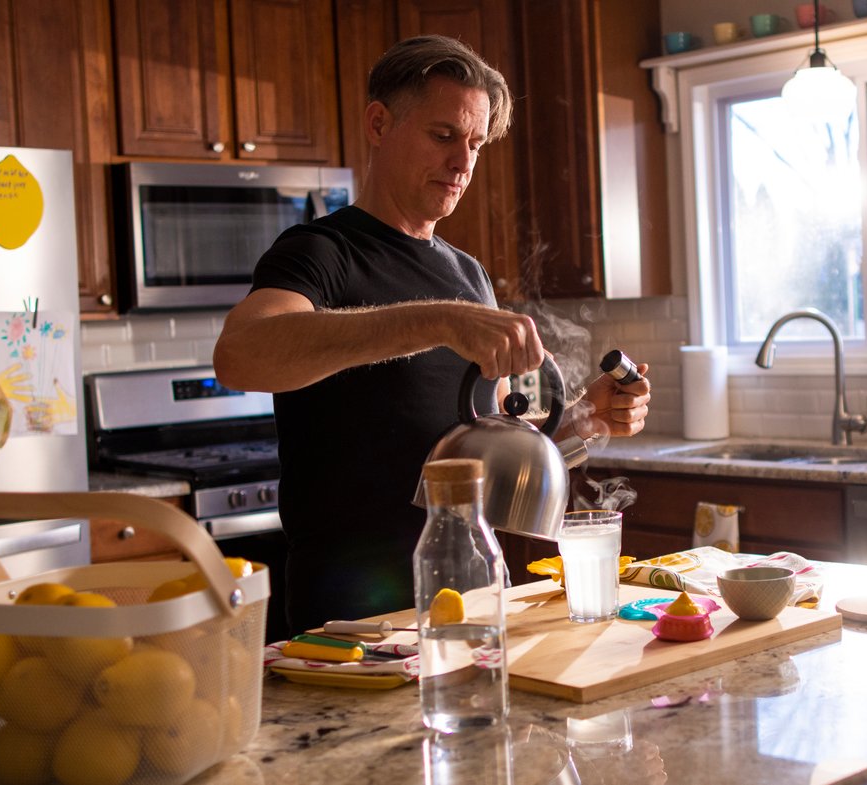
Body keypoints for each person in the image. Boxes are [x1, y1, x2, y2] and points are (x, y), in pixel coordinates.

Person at [213, 35, 652, 636]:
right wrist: (438, 320)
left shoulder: (466, 272)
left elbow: (494, 443)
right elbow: (240, 356)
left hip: (470, 601)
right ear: (378, 123)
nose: (463, 162)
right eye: (443, 136)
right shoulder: (322, 250)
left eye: (475, 144)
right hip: (354, 616)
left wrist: (585, 420)